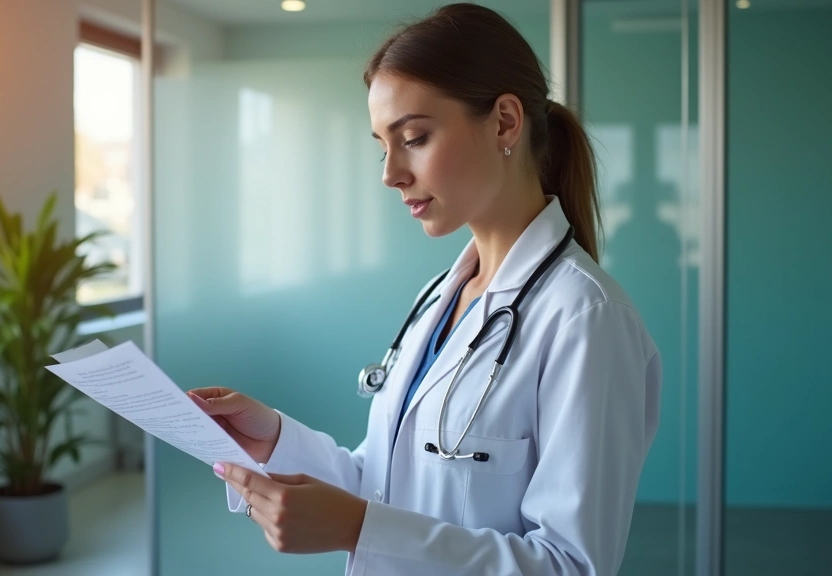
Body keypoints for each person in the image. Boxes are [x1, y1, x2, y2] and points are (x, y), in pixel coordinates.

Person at [187, 4, 661, 575]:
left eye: (413, 137)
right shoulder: (441, 297)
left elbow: (570, 565)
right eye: (382, 146)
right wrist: (274, 440)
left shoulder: (586, 317)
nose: (390, 173)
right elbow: (387, 483)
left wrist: (358, 529)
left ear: (506, 122)